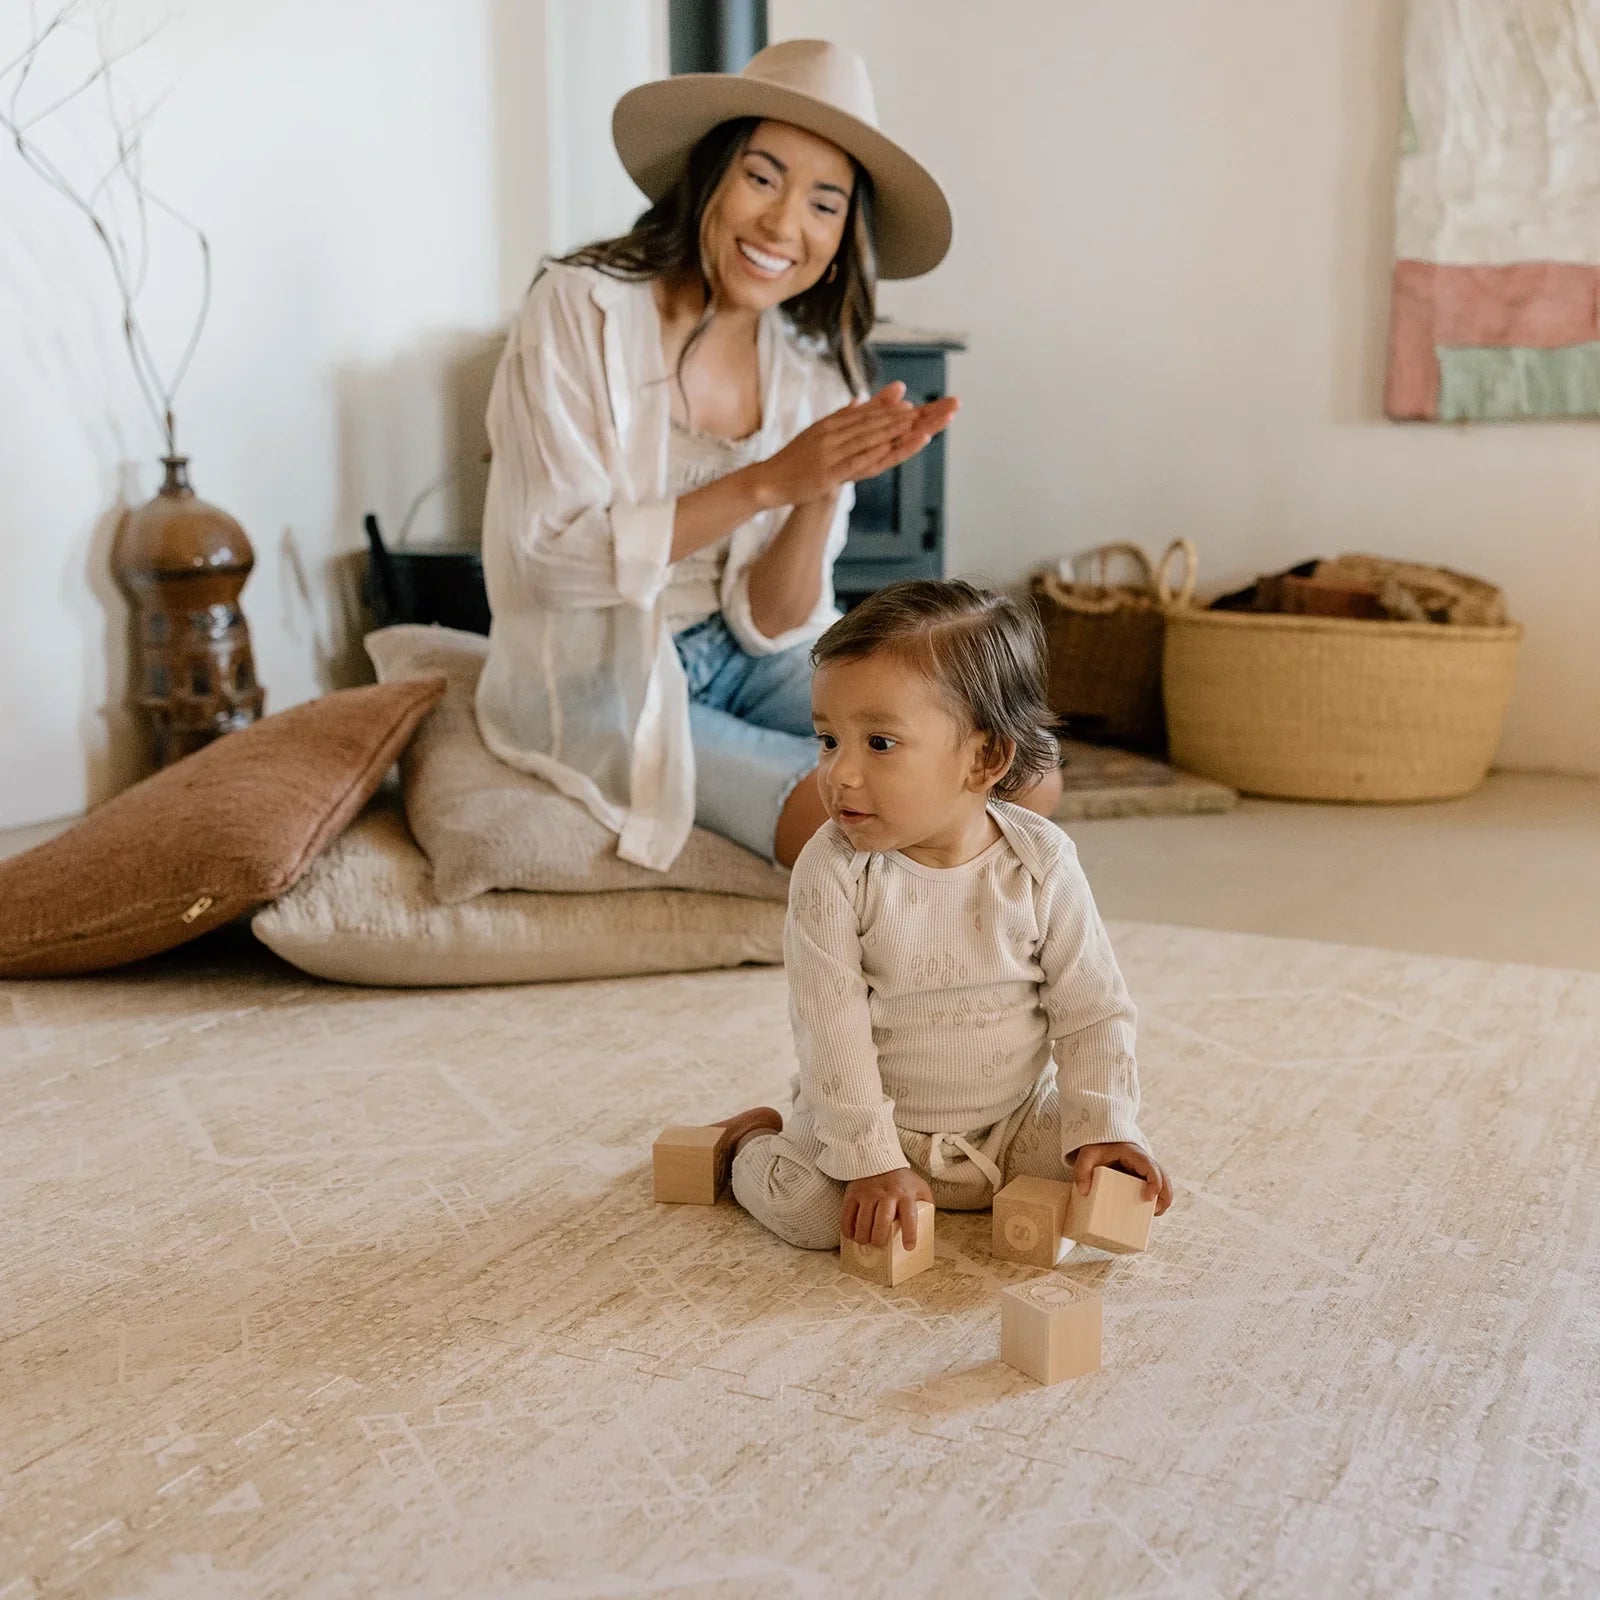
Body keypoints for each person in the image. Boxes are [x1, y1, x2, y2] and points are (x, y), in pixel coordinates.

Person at [474, 39, 1060, 874]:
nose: (785, 225)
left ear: (845, 232)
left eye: (825, 203)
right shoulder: (579, 308)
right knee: (848, 825)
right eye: (762, 177)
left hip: (752, 660)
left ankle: (964, 962)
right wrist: (766, 482)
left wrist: (821, 489)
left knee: (1021, 770)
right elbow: (544, 564)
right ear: (711, 173)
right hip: (606, 673)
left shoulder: (814, 372)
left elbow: (778, 622)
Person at [715, 580, 1174, 1251]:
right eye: (826, 740)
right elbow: (829, 1023)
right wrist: (872, 1160)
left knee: (1093, 1188)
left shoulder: (1039, 862)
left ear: (984, 758)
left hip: (1013, 1121)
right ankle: (747, 1144)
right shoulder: (834, 869)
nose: (838, 772)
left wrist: (1105, 1130)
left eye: (878, 743)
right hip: (876, 1118)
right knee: (813, 1217)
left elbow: (1093, 1008)